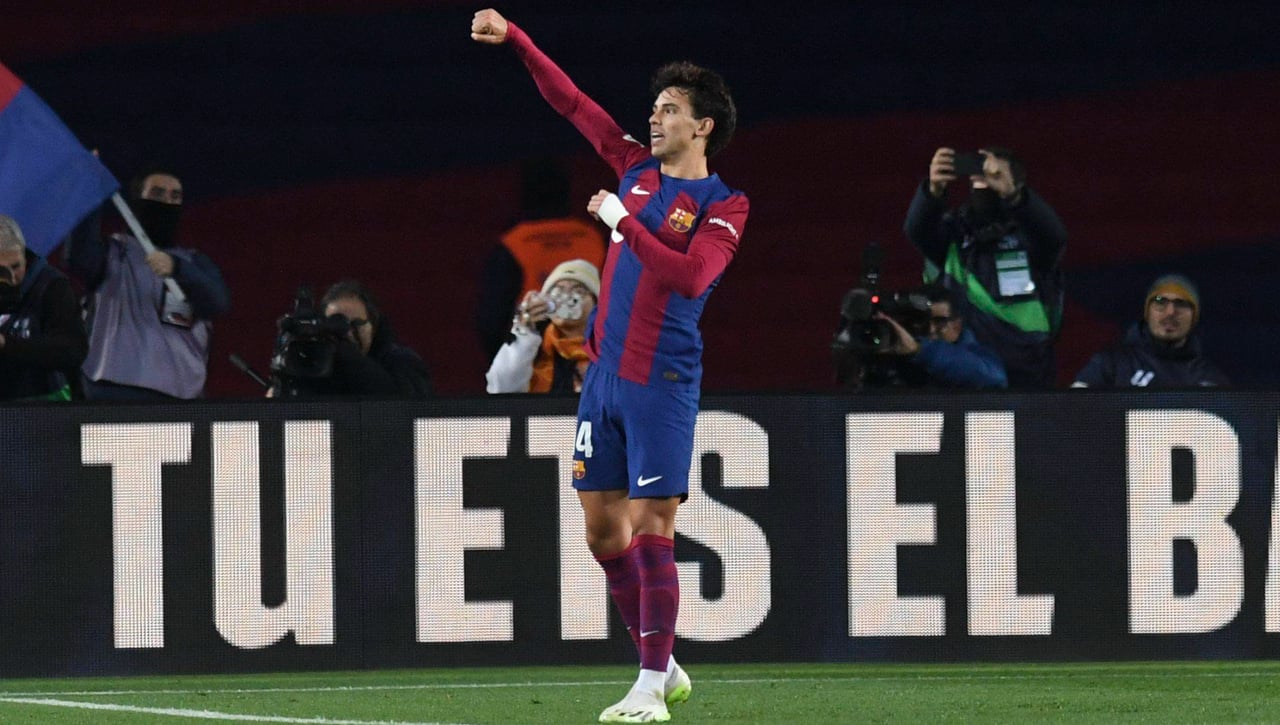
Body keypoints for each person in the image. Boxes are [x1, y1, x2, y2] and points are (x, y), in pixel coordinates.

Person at [472, 8, 749, 722]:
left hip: (662, 382)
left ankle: (650, 682)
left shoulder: (723, 204)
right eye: (653, 109)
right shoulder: (631, 168)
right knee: (603, 531)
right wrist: (520, 41)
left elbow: (691, 279)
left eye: (670, 111)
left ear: (704, 126)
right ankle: (663, 660)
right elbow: (571, 102)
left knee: (654, 521)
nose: (653, 120)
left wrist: (623, 224)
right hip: (602, 380)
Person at [903, 146, 1067, 388]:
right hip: (964, 371)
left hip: (1028, 380)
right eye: (979, 170)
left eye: (995, 172)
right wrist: (932, 190)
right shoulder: (954, 234)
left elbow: (1054, 236)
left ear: (1015, 181)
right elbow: (917, 230)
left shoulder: (1030, 236)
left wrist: (1015, 197)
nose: (986, 177)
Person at [65, 168, 231, 400]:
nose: (166, 202)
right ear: (137, 201)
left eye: (175, 197)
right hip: (112, 392)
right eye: (157, 194)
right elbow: (78, 258)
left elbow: (218, 302)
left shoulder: (194, 262)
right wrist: (88, 191)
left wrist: (177, 268)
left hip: (179, 398)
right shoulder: (113, 253)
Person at [475, 157, 607, 362]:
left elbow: (491, 323)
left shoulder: (512, 244)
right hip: (592, 362)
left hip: (534, 368)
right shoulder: (593, 238)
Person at [269, 280, 432, 397]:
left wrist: (350, 356)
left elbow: (408, 407)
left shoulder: (403, 362)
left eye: (357, 324)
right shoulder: (314, 365)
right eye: (335, 323)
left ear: (373, 325)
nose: (347, 333)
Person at [1072, 274, 1229, 388]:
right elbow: (1072, 413)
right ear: (1147, 312)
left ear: (1194, 317)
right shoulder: (1108, 365)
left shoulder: (1209, 378)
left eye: (1181, 304)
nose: (1170, 312)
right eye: (1160, 302)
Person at [0, 215, 88, 401]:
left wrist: (7, 344)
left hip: (43, 407)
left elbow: (73, 350)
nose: (12, 278)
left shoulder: (52, 286)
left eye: (16, 266)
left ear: (24, 254)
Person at [485, 258, 599, 394]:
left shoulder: (613, 352)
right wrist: (524, 331)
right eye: (558, 291)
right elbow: (501, 391)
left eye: (578, 291)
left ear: (596, 304)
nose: (566, 298)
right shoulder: (533, 350)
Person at [876, 284, 1008, 389]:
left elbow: (995, 377)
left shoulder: (977, 356)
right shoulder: (898, 351)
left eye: (939, 322)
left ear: (957, 325)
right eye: (922, 321)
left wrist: (920, 350)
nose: (931, 329)